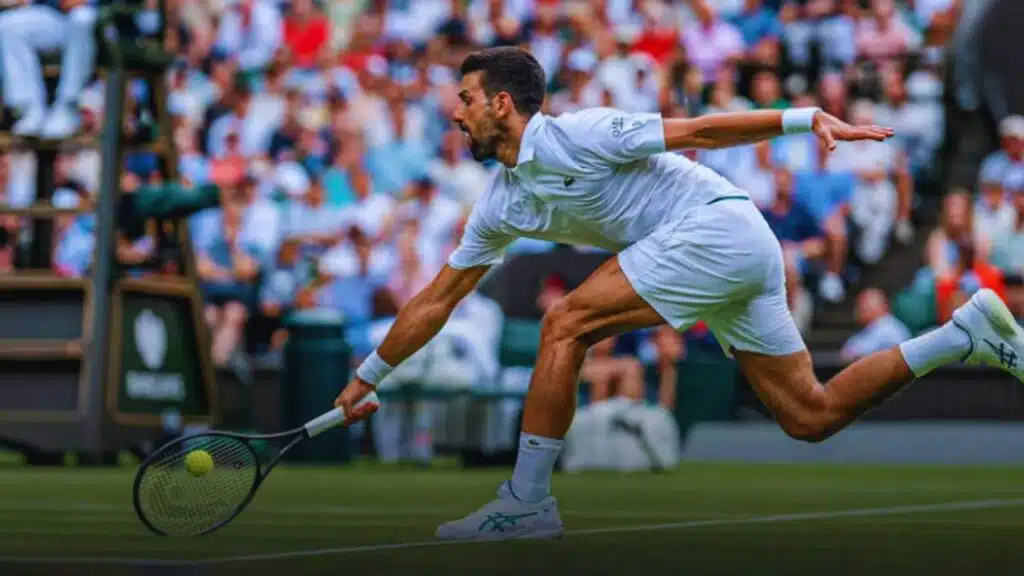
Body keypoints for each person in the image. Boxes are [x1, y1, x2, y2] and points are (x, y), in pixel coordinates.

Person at [334, 47, 1024, 541]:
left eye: (465, 100)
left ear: (501, 104)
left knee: (565, 323)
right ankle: (962, 334)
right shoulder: (500, 203)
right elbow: (437, 298)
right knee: (810, 415)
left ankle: (527, 500)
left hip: (715, 227)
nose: (455, 115)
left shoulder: (582, 133)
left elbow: (700, 131)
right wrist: (368, 376)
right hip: (731, 250)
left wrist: (803, 116)